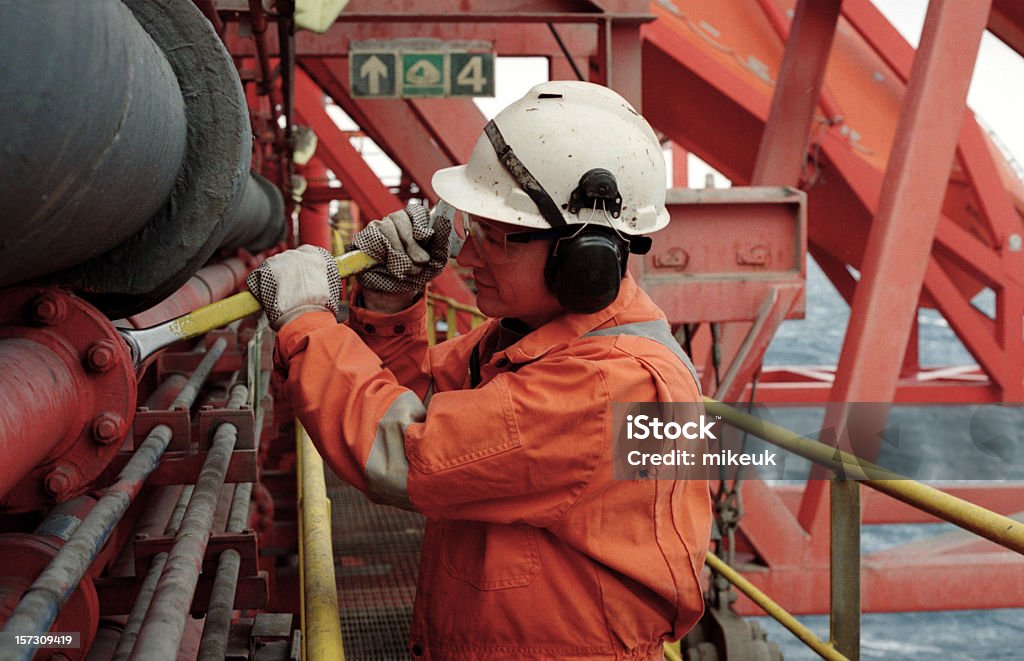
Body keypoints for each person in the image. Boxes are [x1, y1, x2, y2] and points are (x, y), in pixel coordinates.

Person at [247, 81, 712, 660]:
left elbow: (406, 450)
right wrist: (392, 305)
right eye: (474, 230)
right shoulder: (534, 341)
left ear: (583, 260)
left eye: (494, 237)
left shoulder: (608, 385)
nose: (466, 257)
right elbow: (422, 401)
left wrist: (307, 323)